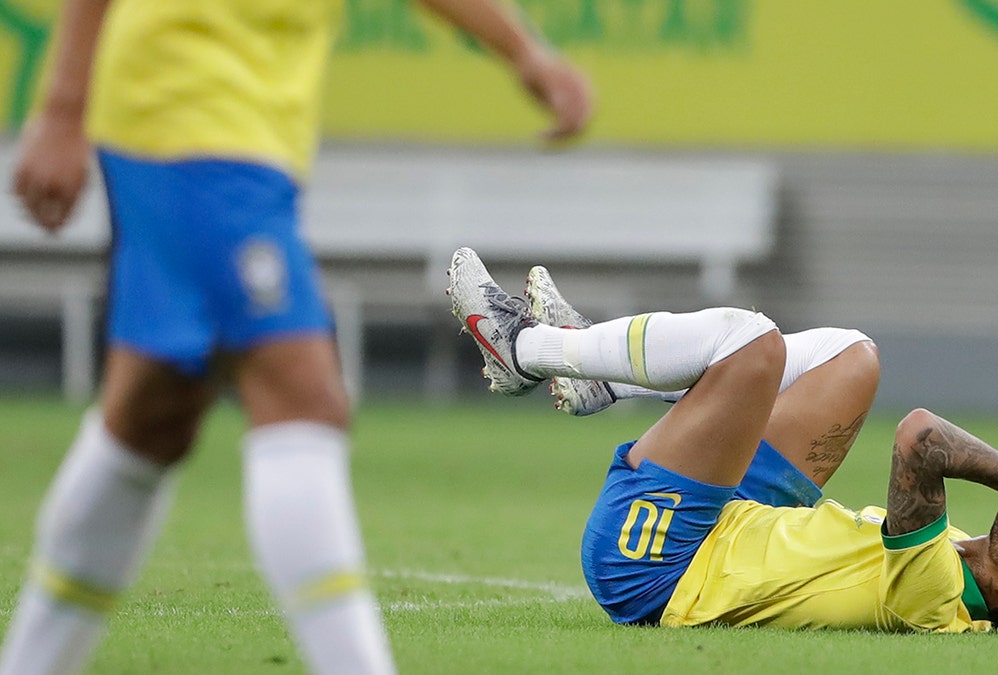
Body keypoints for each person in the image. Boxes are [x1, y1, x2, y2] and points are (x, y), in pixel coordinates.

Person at [1, 2, 591, 674]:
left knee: (152, 418)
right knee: (304, 397)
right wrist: (63, 109)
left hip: (246, 139)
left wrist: (525, 53)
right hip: (188, 113)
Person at [447, 247, 998, 633]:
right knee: (854, 359)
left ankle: (526, 349)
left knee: (752, 343)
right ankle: (607, 379)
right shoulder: (965, 554)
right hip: (740, 517)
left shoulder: (937, 592)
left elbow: (921, 437)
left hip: (659, 566)